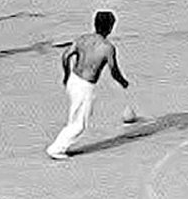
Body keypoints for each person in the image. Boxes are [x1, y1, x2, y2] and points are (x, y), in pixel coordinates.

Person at [47, 10, 130, 160]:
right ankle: (56, 149)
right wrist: (123, 82)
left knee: (76, 116)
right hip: (85, 86)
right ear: (110, 27)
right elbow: (114, 70)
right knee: (79, 124)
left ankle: (59, 147)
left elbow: (66, 56)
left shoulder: (83, 39)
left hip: (73, 79)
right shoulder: (107, 47)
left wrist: (66, 76)